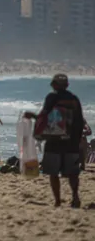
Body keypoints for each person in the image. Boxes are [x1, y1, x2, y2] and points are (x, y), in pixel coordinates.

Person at [24, 74, 84, 208]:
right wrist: (77, 140)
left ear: (54, 84)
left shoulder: (52, 97)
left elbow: (44, 117)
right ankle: (75, 197)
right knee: (73, 173)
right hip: (71, 142)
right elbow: (80, 121)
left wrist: (32, 116)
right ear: (67, 85)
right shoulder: (74, 99)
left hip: (54, 141)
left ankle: (57, 200)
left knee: (53, 172)